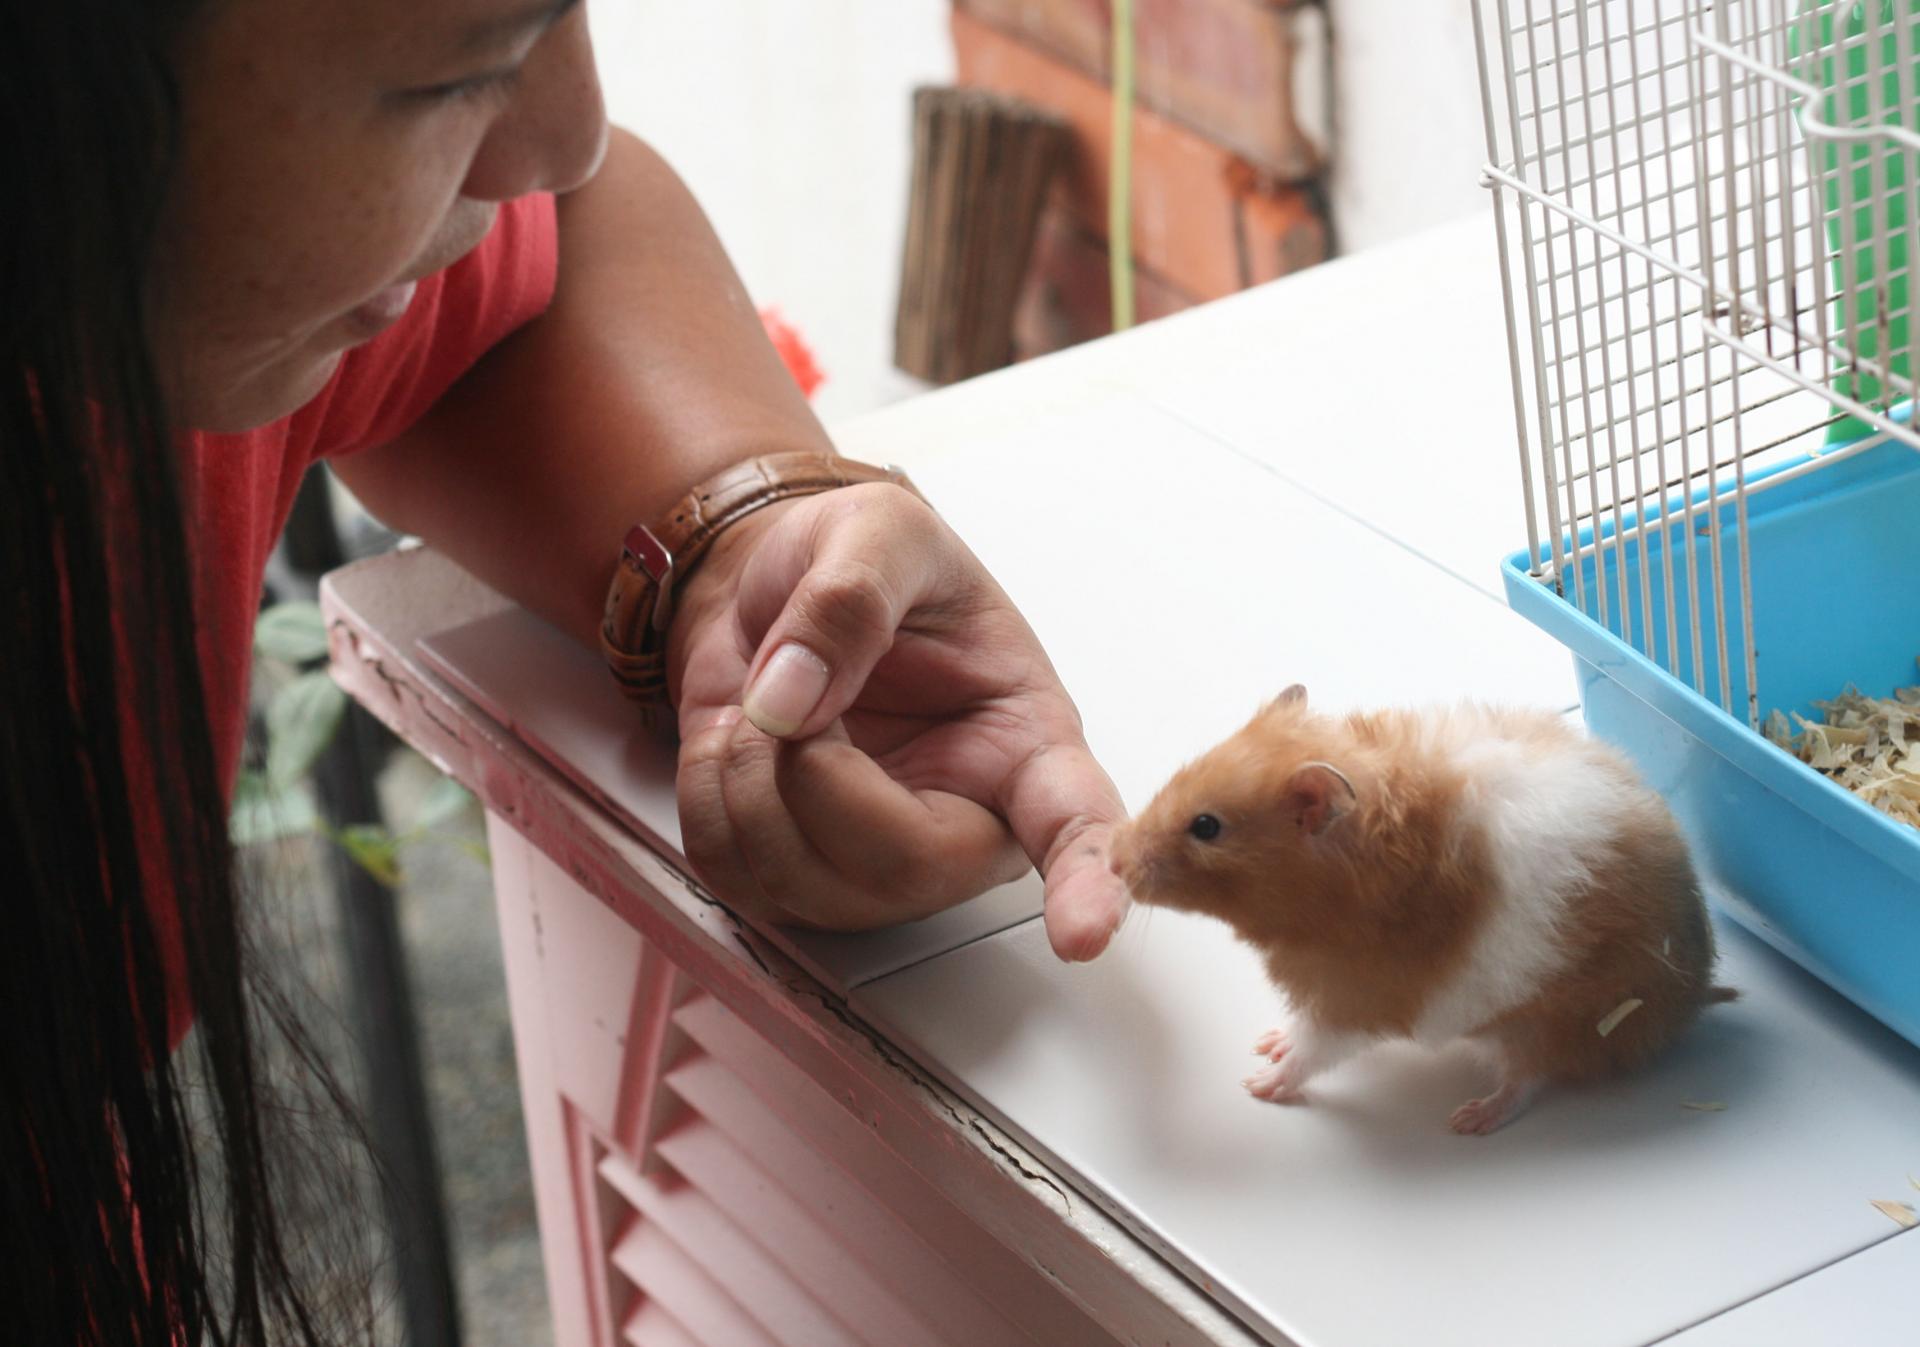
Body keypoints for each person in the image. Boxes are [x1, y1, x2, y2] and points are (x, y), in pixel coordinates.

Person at [4, 0, 1132, 1341]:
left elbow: (559, 258)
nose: (562, 136)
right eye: (456, 75)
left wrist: (736, 544)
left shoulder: (138, 281)